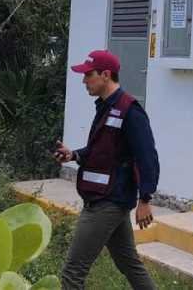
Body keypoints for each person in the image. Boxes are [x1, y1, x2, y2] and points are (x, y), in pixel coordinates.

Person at [54, 49, 160, 289]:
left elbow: (147, 157)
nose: (84, 80)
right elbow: (101, 151)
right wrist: (74, 155)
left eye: (88, 75)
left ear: (105, 75)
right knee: (129, 264)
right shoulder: (104, 107)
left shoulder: (130, 110)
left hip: (107, 202)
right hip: (106, 196)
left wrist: (145, 199)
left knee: (73, 272)